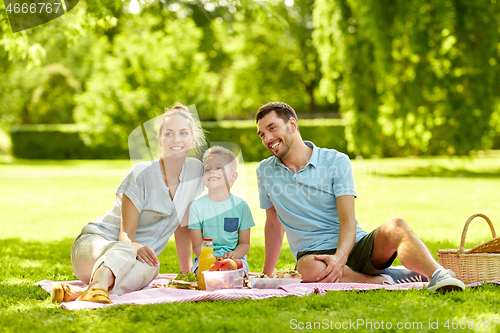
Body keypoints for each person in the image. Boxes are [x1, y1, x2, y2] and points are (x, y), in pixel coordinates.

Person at [255, 101, 465, 293]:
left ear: (292, 124)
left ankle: (438, 275)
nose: (267, 138)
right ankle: (382, 280)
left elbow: (347, 220)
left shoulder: (336, 161)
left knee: (396, 226)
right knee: (307, 269)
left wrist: (339, 258)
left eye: (272, 128)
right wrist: (266, 275)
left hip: (353, 245)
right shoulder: (265, 171)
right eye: (262, 134)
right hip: (313, 256)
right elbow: (273, 223)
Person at [50, 103, 205, 303]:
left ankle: (81, 294)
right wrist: (135, 247)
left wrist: (186, 274)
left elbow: (182, 226)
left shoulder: (195, 172)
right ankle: (97, 286)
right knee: (127, 249)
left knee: (152, 266)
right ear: (159, 140)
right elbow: (125, 236)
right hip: (95, 248)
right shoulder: (141, 174)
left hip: (132, 262)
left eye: (183, 133)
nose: (176, 140)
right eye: (169, 134)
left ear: (192, 140)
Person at [189, 146, 255, 275]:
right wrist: (212, 258)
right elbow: (197, 246)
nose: (212, 172)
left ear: (233, 176)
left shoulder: (241, 206)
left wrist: (234, 255)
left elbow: (245, 244)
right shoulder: (196, 207)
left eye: (219, 168)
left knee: (234, 273)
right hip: (205, 258)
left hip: (235, 259)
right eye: (207, 169)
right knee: (203, 274)